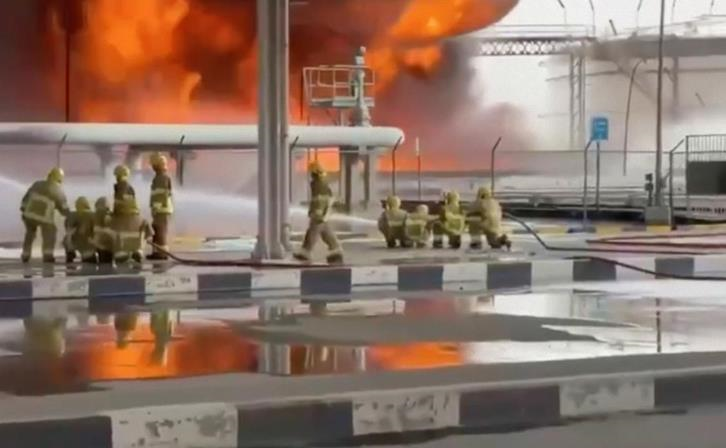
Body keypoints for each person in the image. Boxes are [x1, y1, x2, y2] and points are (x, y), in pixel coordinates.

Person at [294, 161, 343, 264]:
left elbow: (320, 201)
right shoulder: (319, 184)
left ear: (314, 173)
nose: (310, 175)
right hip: (321, 213)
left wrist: (317, 213)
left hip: (319, 214)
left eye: (311, 173)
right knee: (325, 232)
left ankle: (306, 252)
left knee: (313, 231)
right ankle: (335, 250)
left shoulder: (318, 185)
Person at [20, 167, 70, 263]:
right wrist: (70, 214)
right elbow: (63, 208)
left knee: (30, 234)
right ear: (59, 179)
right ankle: (48, 255)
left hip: (28, 214)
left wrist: (23, 209)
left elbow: (26, 198)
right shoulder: (57, 190)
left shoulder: (37, 184)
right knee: (50, 232)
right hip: (44, 217)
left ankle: (25, 254)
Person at [110, 196, 153, 265]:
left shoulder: (114, 220)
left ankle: (122, 253)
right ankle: (138, 251)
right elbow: (150, 235)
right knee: (143, 237)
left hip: (121, 249)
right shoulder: (143, 220)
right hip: (136, 246)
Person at [147, 152, 173, 260]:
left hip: (161, 209)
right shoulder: (160, 177)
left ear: (157, 165)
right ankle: (157, 252)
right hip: (161, 209)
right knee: (157, 230)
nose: (152, 167)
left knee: (160, 231)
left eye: (153, 164)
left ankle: (161, 253)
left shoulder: (161, 178)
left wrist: (156, 208)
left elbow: (161, 194)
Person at [64, 196, 96, 263]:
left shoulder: (70, 215)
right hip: (88, 243)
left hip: (71, 242)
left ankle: (70, 254)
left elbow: (68, 230)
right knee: (89, 263)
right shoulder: (92, 215)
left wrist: (69, 245)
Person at [93, 197, 114, 264]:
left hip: (100, 244)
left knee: (103, 262)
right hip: (110, 244)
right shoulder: (111, 214)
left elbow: (95, 229)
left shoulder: (97, 214)